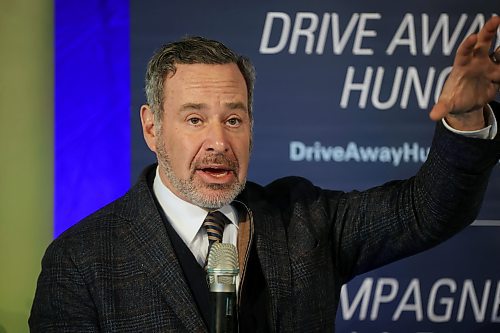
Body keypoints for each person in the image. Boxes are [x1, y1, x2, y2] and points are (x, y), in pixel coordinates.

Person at [30, 16, 500, 332]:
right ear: (152, 128)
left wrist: (466, 118)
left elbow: (427, 211)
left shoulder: (304, 220)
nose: (219, 141)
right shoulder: (81, 262)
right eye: (195, 119)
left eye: (234, 119)